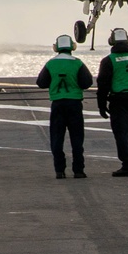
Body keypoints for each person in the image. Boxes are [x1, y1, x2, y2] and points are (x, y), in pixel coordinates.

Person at [37, 34, 93, 178]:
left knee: (56, 139)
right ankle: (79, 170)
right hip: (74, 104)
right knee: (77, 139)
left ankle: (59, 170)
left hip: (57, 104)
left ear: (56, 48)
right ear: (72, 47)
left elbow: (41, 82)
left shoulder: (51, 63)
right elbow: (87, 83)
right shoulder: (78, 63)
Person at [97, 28, 128, 176]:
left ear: (111, 42)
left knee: (121, 133)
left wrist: (101, 105)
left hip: (118, 100)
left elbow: (103, 84)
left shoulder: (109, 60)